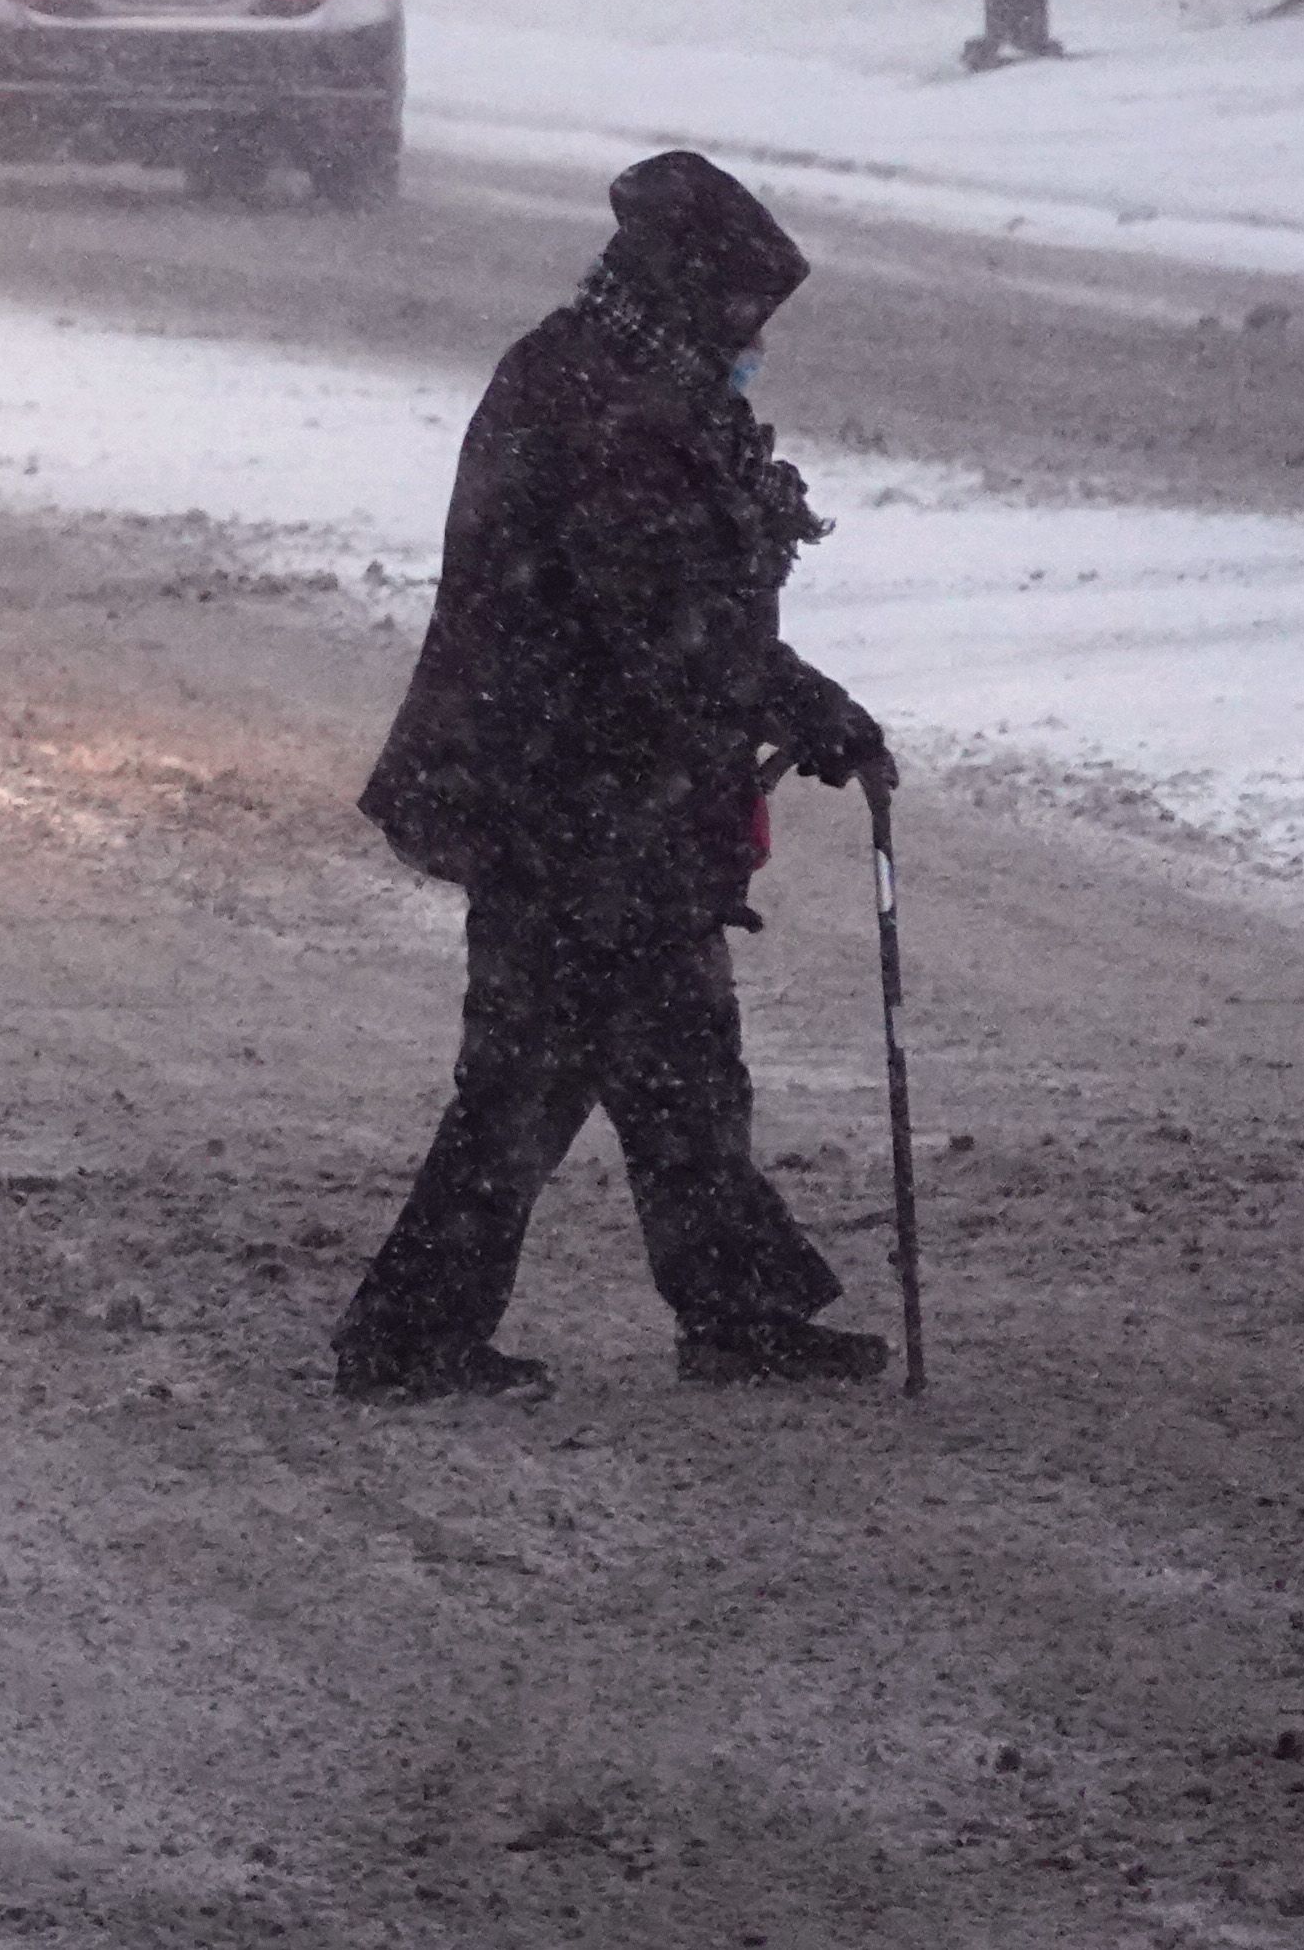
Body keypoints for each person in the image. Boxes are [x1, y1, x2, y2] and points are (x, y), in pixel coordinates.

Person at [333, 150, 897, 1401]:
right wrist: (806, 707)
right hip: (559, 799)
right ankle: (411, 1332)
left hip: (604, 796)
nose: (752, 340)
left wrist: (787, 700)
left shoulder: (624, 381)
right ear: (688, 288)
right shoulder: (606, 407)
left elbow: (684, 623)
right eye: (744, 313)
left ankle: (735, 1308)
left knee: (676, 1055)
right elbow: (664, 623)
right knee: (532, 1075)